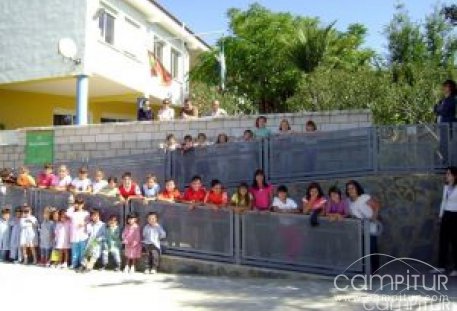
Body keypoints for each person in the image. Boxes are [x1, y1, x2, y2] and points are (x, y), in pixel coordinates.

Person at [346, 180, 381, 273]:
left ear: (357, 188)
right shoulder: (350, 203)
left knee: (372, 248)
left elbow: (376, 205)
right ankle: (364, 269)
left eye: (352, 188)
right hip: (360, 229)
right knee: (362, 249)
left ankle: (375, 271)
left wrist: (374, 217)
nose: (350, 190)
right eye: (348, 189)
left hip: (371, 228)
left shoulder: (364, 198)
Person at [436, 167, 457, 276]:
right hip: (446, 215)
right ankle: (441, 266)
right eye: (446, 173)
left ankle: (456, 268)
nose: (446, 175)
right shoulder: (446, 187)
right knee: (443, 241)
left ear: (454, 175)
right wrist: (440, 215)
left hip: (455, 215)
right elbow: (443, 202)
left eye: (448, 174)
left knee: (455, 242)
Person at [66, 197, 90, 269]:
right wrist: (73, 206)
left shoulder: (86, 213)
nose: (79, 205)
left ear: (83, 204)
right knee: (75, 251)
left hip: (83, 234)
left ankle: (82, 264)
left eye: (80, 203)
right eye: (77, 203)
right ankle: (74, 264)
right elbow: (67, 213)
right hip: (74, 234)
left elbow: (89, 221)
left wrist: (84, 223)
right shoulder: (73, 213)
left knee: (83, 250)